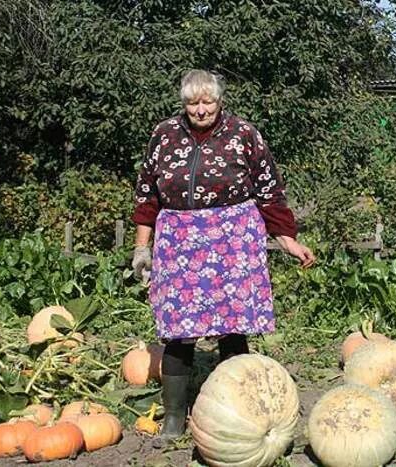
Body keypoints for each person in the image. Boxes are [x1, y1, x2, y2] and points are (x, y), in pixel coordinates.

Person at [131, 69, 315, 439]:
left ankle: (238, 411)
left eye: (207, 101)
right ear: (183, 104)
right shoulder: (163, 135)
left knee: (233, 327)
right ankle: (173, 418)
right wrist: (141, 247)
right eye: (192, 102)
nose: (200, 110)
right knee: (178, 330)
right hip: (179, 240)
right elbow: (146, 194)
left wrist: (287, 239)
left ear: (220, 100)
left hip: (232, 239)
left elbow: (269, 189)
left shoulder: (244, 134)